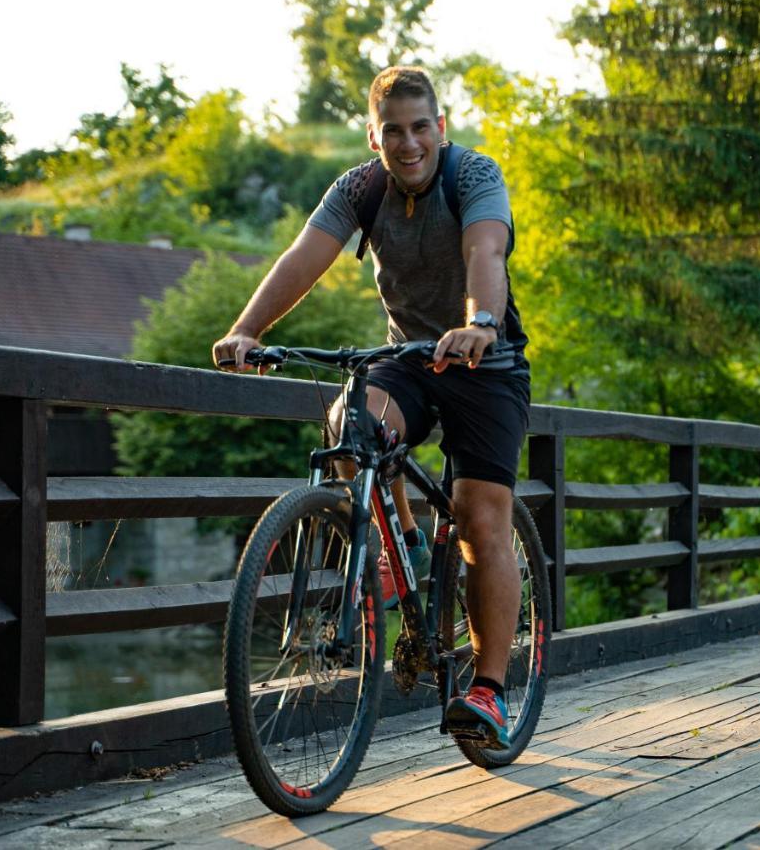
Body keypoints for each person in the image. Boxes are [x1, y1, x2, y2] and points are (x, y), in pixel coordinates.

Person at [213, 66, 529, 750]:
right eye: (394, 131)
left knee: (479, 517)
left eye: (420, 128)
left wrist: (479, 321)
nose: (409, 143)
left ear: (440, 128)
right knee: (351, 425)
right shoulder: (360, 188)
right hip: (410, 358)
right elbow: (305, 256)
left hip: (483, 362)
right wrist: (248, 329)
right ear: (374, 136)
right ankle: (404, 544)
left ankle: (490, 690)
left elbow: (486, 247)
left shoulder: (473, 175)